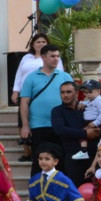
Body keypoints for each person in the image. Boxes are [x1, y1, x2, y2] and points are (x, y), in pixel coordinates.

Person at [50, 81, 98, 201]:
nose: (65, 95)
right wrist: (84, 133)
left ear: (77, 93)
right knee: (74, 196)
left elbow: (99, 125)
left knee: (93, 195)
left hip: (92, 157)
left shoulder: (86, 108)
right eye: (62, 92)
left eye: (69, 92)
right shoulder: (57, 111)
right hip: (72, 157)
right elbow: (60, 130)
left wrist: (91, 132)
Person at [19, 44, 73, 177]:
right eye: (52, 56)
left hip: (61, 126)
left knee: (61, 160)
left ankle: (59, 191)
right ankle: (36, 192)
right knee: (39, 161)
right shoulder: (31, 77)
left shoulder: (65, 76)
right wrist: (25, 126)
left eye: (57, 56)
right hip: (39, 126)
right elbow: (24, 102)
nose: (56, 59)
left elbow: (73, 100)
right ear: (43, 57)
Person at [11, 33, 49, 161]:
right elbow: (19, 75)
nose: (41, 44)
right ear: (33, 44)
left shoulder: (51, 58)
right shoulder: (26, 57)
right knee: (22, 122)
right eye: (38, 42)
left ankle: (36, 152)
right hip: (25, 94)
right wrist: (15, 91)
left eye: (44, 42)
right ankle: (26, 151)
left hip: (42, 94)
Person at [72, 80, 101, 160]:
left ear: (98, 91)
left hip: (95, 122)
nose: (87, 95)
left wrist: (96, 122)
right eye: (85, 92)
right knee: (83, 135)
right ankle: (84, 151)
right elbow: (88, 103)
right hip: (90, 122)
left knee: (83, 134)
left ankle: (84, 152)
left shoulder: (99, 101)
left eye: (90, 92)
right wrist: (83, 103)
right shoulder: (92, 100)